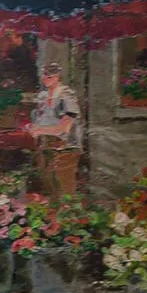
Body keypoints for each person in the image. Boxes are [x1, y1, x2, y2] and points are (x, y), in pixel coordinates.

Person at [30, 64, 82, 197]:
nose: (45, 79)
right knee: (48, 188)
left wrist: (40, 130)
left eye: (49, 76)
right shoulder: (43, 96)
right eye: (44, 75)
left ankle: (67, 215)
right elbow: (40, 119)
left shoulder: (66, 95)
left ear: (57, 77)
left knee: (64, 188)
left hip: (65, 148)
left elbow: (65, 128)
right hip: (47, 147)